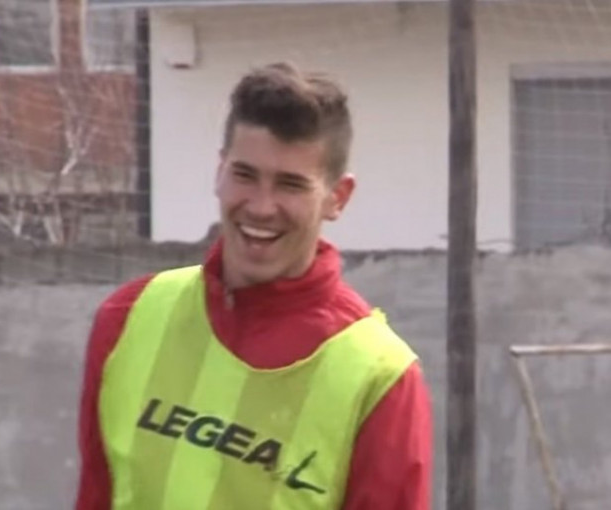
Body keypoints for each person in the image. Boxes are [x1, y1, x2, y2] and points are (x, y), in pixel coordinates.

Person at [74, 62, 433, 510]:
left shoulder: (380, 377)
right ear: (219, 172)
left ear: (337, 198)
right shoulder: (129, 317)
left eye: (290, 185)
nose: (262, 207)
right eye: (245, 175)